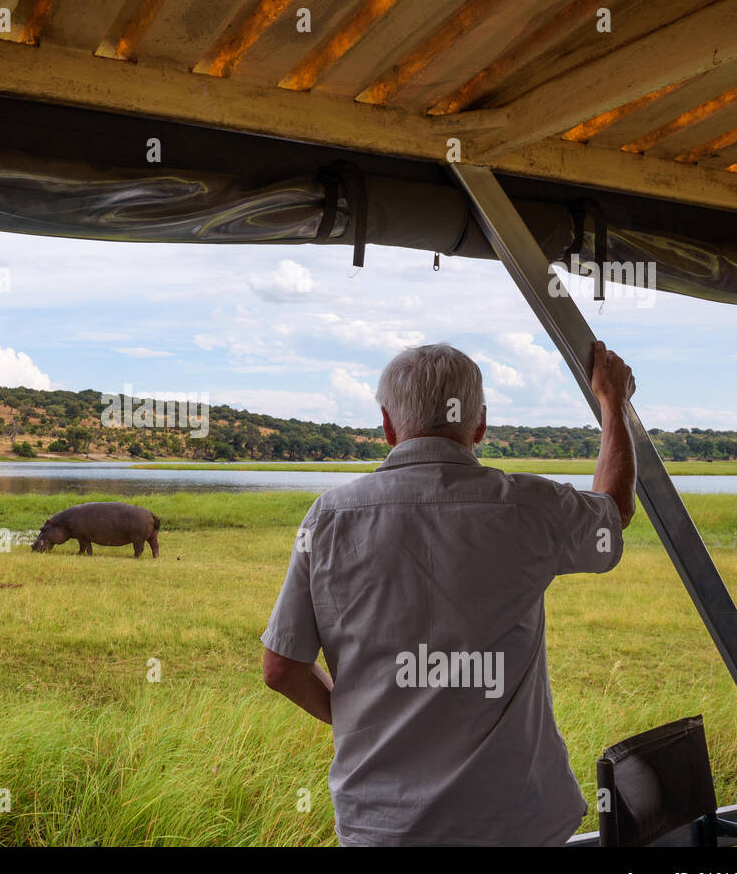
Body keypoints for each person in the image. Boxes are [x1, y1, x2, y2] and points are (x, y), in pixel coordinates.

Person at [260, 340, 636, 845]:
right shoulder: (529, 505)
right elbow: (613, 512)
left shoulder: (328, 519)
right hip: (516, 821)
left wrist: (354, 718)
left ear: (388, 426)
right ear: (479, 424)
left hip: (382, 824)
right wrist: (614, 406)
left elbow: (281, 668)